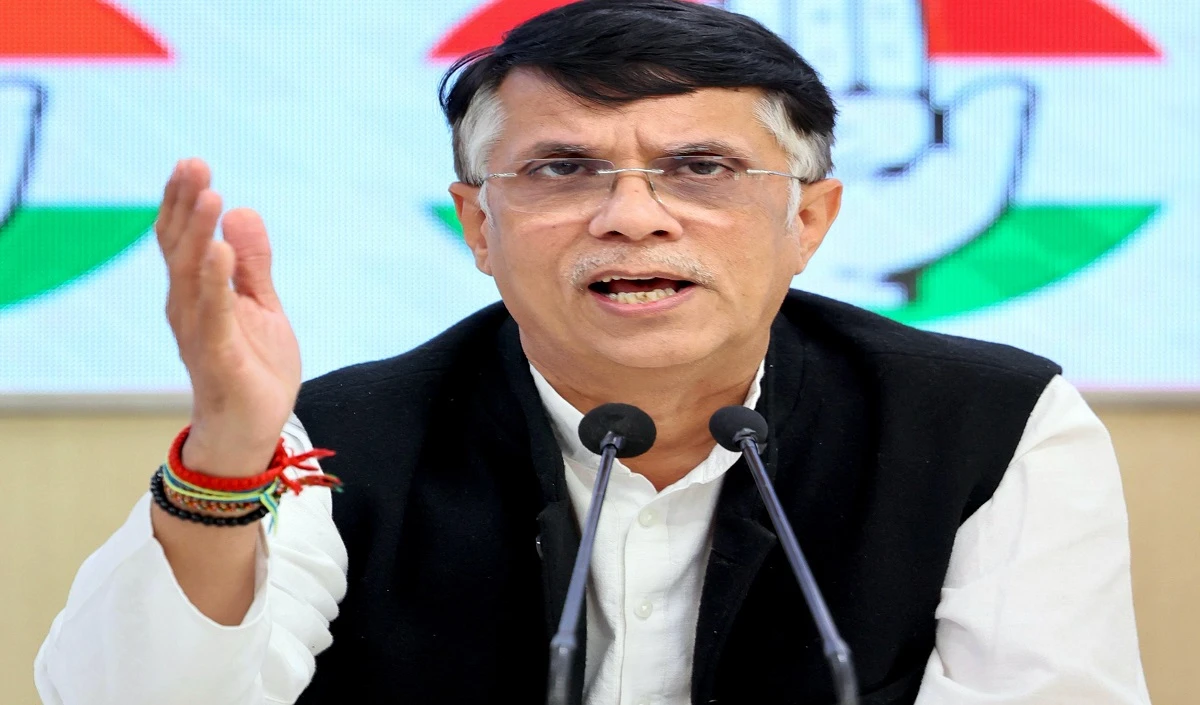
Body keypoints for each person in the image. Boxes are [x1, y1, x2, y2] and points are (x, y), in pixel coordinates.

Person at [34, 1, 1150, 703]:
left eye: (700, 169)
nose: (633, 217)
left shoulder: (994, 427)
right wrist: (227, 457)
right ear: (479, 226)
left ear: (809, 220)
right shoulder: (336, 435)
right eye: (563, 170)